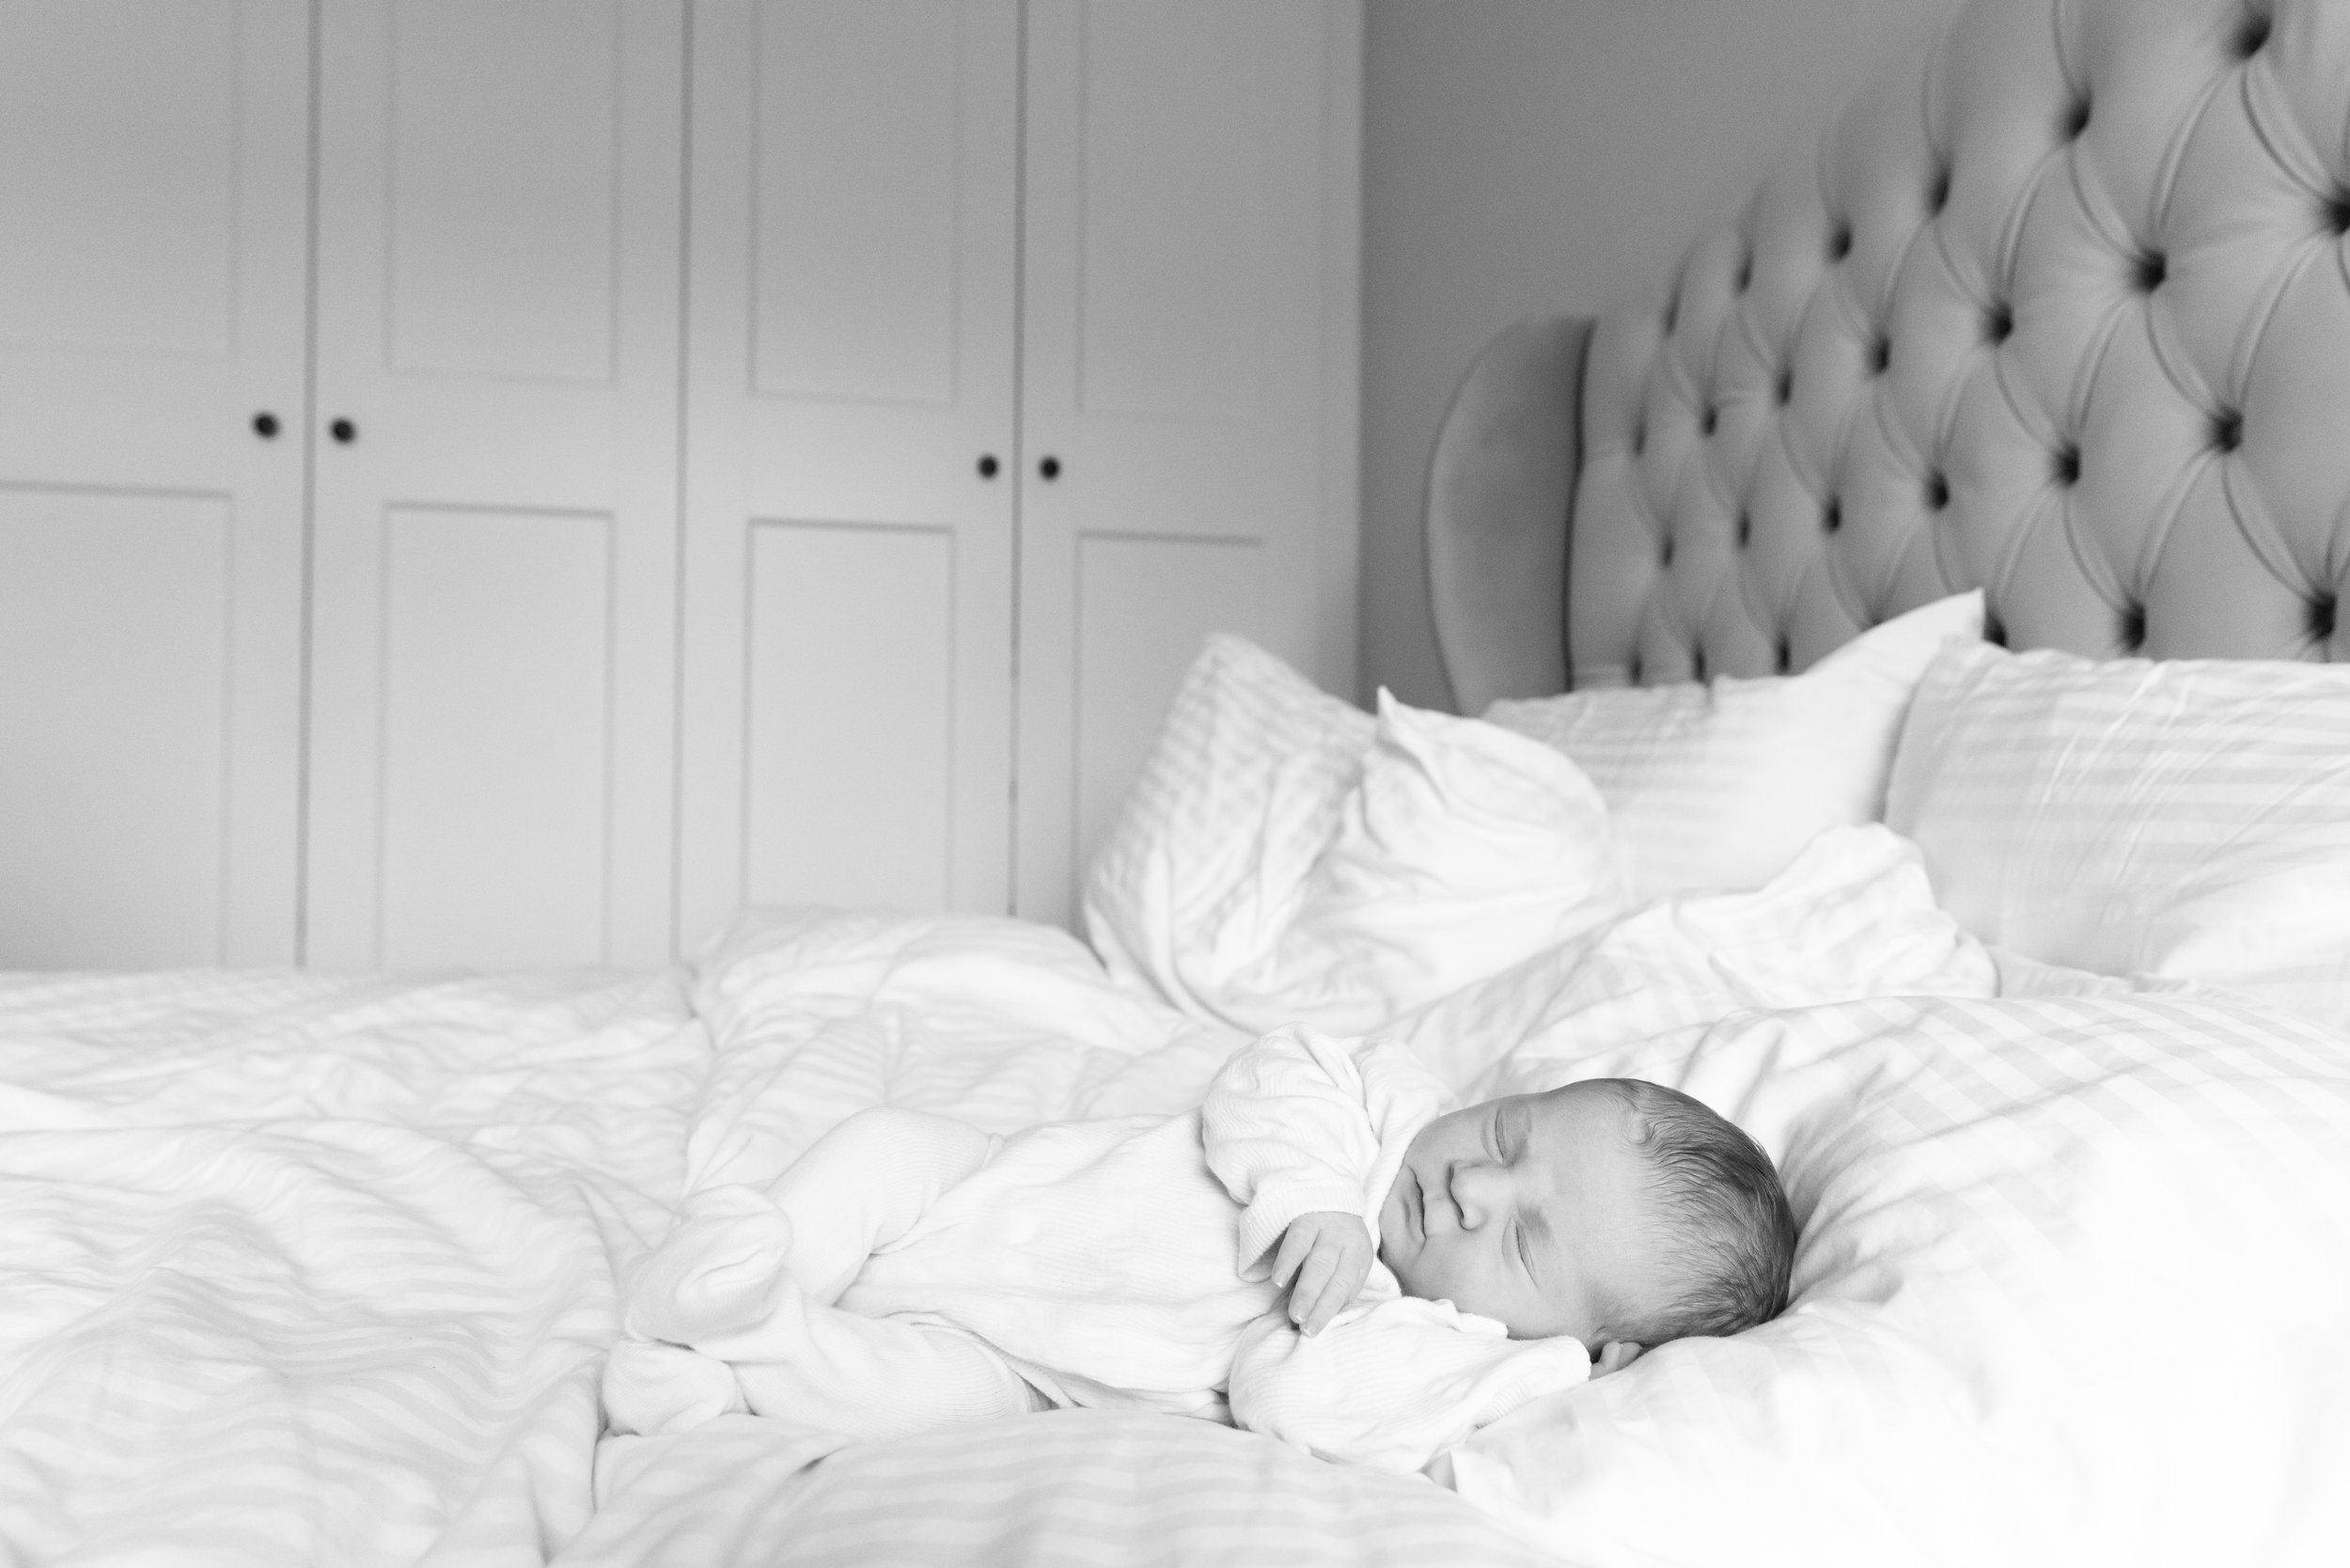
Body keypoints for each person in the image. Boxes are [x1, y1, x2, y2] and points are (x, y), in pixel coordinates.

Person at [603, 1027, 1795, 1472]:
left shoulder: (1435, 1347)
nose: (1474, 1185)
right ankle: (749, 1254)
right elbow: (1270, 1069)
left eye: (1527, 1240)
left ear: (1587, 1342)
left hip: (1008, 1360)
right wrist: (1317, 1196)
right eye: (1506, 1136)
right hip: (985, 1186)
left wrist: (1539, 1372)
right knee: (879, 1147)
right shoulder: (1372, 1113)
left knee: (897, 1403)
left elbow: (1291, 1396)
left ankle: (738, 1345)